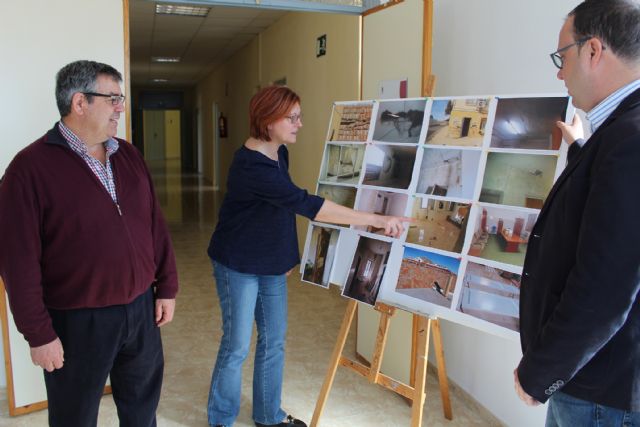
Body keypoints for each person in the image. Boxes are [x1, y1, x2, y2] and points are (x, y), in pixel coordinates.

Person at [207, 85, 410, 427]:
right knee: (237, 345)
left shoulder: (278, 152)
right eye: (293, 118)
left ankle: (268, 417)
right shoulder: (250, 166)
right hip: (237, 263)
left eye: (299, 117)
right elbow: (307, 205)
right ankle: (221, 419)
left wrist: (287, 256)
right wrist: (378, 219)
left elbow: (279, 210)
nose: (300, 124)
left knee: (274, 342)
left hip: (269, 262)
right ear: (268, 120)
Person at [0, 60, 179, 427]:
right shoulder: (28, 169)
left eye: (121, 98)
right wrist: (38, 334)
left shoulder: (128, 155)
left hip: (140, 312)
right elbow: (18, 262)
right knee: (74, 417)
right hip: (77, 321)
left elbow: (154, 225)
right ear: (79, 103)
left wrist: (167, 287)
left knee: (142, 410)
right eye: (112, 98)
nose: (120, 108)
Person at [514, 0, 640, 424]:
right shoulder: (621, 132)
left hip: (601, 391)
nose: (558, 72)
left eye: (561, 56)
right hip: (591, 381)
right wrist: (579, 150)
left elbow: (605, 288)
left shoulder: (631, 140)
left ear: (593, 50)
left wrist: (540, 373)